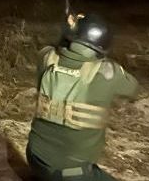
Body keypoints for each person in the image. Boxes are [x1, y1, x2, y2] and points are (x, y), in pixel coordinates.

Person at [26, 12, 139, 180]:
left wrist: (68, 34)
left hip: (35, 158)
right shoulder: (108, 72)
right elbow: (134, 88)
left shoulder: (46, 57)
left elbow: (57, 48)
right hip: (71, 173)